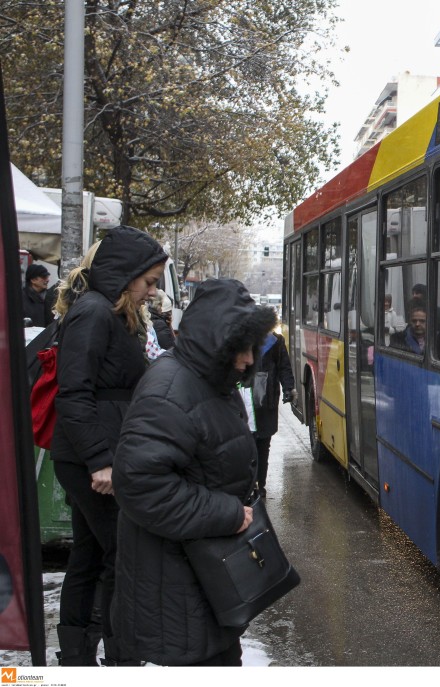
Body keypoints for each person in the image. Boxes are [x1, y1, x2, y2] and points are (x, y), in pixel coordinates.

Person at [111, 278, 278, 667]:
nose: (250, 359)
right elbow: (139, 485)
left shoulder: (210, 380)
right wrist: (228, 513)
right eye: (241, 347)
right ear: (215, 341)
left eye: (253, 347)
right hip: (176, 592)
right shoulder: (170, 390)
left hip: (198, 580)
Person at [49, 225, 168, 666]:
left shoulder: (106, 312)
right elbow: (74, 393)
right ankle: (119, 659)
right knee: (120, 557)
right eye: (149, 281)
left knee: (90, 554)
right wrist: (100, 461)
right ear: (125, 273)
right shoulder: (94, 313)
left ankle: (79, 659)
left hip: (91, 454)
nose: (152, 292)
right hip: (91, 459)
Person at [252, 329, 295, 497]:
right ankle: (254, 484)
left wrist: (288, 389)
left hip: (266, 402)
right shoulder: (242, 339)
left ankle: (259, 484)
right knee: (256, 445)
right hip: (251, 402)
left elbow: (284, 368)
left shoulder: (276, 342)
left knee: (262, 444)